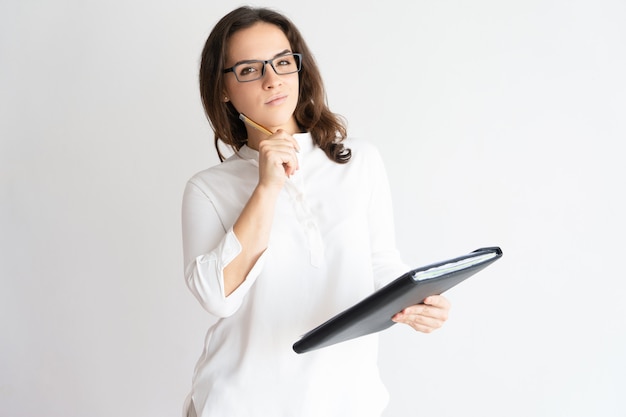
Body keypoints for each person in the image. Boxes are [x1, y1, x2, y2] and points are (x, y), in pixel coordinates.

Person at [181, 6, 451, 417]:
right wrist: (266, 187)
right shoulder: (207, 189)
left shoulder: (359, 161)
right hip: (240, 405)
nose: (273, 79)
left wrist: (420, 300)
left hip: (347, 401)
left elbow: (379, 264)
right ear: (222, 88)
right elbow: (218, 299)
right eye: (250, 70)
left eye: (283, 62)